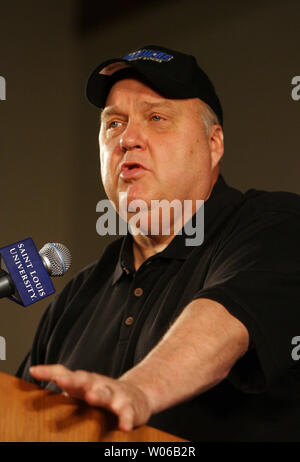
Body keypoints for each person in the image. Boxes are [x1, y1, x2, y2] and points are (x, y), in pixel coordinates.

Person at [17, 45, 300, 442]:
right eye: (113, 124)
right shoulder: (76, 296)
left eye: (156, 117)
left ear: (213, 144)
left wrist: (137, 391)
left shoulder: (274, 224)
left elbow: (226, 321)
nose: (128, 138)